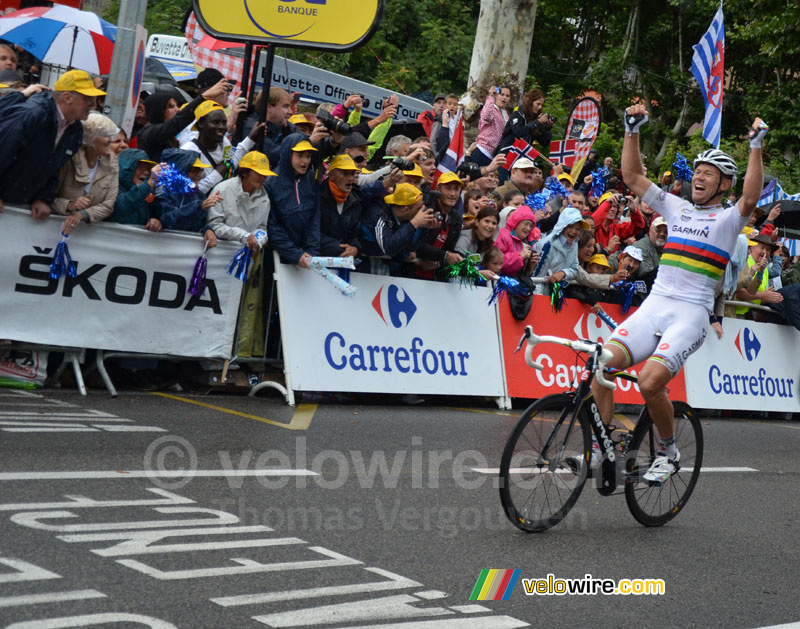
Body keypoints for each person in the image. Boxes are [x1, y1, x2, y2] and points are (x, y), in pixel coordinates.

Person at [590, 103, 768, 483]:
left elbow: (751, 199)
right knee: (600, 364)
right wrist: (631, 129)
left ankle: (669, 452)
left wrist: (756, 146)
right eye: (698, 172)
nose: (700, 177)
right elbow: (632, 175)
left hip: (691, 314)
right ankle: (601, 449)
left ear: (724, 184)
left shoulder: (728, 219)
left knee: (650, 382)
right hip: (655, 306)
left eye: (710, 174)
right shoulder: (677, 207)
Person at [0, 69, 104, 219]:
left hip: (19, 204)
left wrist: (43, 198)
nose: (93, 105)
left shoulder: (75, 129)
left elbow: (54, 167)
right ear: (67, 97)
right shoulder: (32, 114)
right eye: (88, 99)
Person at [318, 154, 397, 259]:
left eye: (352, 174)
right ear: (331, 175)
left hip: (343, 260)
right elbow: (311, 233)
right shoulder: (317, 197)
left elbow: (355, 234)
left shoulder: (355, 200)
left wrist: (355, 248)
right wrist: (336, 248)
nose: (350, 178)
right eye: (345, 174)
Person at [52, 112, 120, 234]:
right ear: (90, 137)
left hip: (87, 234)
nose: (111, 140)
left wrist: (82, 214)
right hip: (52, 229)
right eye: (106, 135)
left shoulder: (112, 163)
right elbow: (47, 197)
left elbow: (109, 205)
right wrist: (69, 205)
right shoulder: (68, 159)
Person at [181, 100, 264, 195]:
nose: (222, 127)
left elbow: (230, 164)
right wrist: (217, 175)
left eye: (224, 123)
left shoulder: (225, 143)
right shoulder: (188, 152)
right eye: (216, 122)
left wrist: (251, 138)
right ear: (201, 124)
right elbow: (188, 192)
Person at [137, 81, 229, 162]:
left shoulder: (171, 139)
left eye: (177, 105)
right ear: (158, 110)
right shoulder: (148, 134)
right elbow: (177, 123)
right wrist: (203, 97)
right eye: (171, 106)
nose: (178, 110)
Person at [266, 134, 321, 267]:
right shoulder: (271, 183)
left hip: (306, 257)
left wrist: (311, 251)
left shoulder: (310, 181)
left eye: (308, 156)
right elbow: (271, 226)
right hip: (277, 259)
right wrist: (294, 254)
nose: (305, 161)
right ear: (287, 154)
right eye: (300, 155)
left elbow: (315, 218)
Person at [360, 183, 436, 275]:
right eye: (418, 209)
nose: (422, 212)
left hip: (381, 264)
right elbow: (389, 247)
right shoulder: (378, 214)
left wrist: (424, 228)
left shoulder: (406, 219)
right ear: (405, 209)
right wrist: (415, 223)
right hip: (359, 263)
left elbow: (406, 251)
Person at [207, 151, 276, 249]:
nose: (263, 178)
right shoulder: (222, 190)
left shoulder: (265, 199)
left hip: (246, 256)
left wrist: (257, 241)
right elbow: (214, 226)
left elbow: (262, 228)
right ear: (244, 172)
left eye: (265, 174)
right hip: (220, 253)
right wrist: (244, 236)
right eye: (259, 173)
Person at [156, 149, 220, 239]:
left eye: (200, 170)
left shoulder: (199, 195)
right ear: (180, 170)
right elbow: (167, 219)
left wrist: (207, 230)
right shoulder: (163, 191)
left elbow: (200, 223)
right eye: (194, 170)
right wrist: (198, 207)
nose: (199, 175)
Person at [416, 172, 466, 280]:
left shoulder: (456, 218)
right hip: (410, 273)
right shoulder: (427, 210)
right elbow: (417, 246)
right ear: (438, 190)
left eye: (456, 189)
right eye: (448, 188)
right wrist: (445, 256)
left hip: (435, 278)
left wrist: (440, 263)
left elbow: (450, 250)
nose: (453, 194)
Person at [532, 206, 590, 289]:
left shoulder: (574, 244)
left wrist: (563, 273)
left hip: (558, 292)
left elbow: (575, 269)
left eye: (577, 229)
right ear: (562, 226)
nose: (574, 232)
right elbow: (537, 276)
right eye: (570, 227)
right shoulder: (547, 244)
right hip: (540, 293)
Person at [109, 149, 162, 230]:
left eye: (148, 169)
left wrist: (155, 220)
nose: (146, 173)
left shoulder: (146, 192)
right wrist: (149, 183)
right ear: (127, 168)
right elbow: (121, 208)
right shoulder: (111, 187)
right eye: (140, 168)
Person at [609, 216, 667, 288]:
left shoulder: (669, 247)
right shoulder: (641, 247)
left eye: (666, 232)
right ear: (650, 231)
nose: (662, 234)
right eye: (658, 230)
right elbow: (646, 275)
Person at [734, 233, 783, 318]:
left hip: (752, 316)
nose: (764, 252)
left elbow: (755, 293)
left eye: (768, 250)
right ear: (752, 247)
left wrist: (769, 297)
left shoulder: (765, 269)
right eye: (762, 248)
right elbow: (739, 292)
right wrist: (762, 295)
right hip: (735, 315)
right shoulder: (744, 262)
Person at [495, 88, 553, 156]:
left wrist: (547, 128)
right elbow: (519, 132)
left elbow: (544, 143)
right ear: (530, 102)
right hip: (507, 153)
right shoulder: (517, 114)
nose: (540, 107)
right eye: (538, 104)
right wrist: (537, 122)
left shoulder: (537, 118)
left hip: (522, 157)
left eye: (542, 105)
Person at [494, 205, 540, 276]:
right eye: (526, 224)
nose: (528, 228)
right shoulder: (503, 236)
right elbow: (496, 262)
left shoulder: (528, 242)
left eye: (531, 226)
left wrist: (531, 266)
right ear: (516, 222)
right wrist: (520, 256)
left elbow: (524, 274)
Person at [472, 86, 511, 167]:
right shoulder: (490, 108)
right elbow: (486, 116)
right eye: (502, 94)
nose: (504, 97)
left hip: (494, 155)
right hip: (483, 150)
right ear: (496, 95)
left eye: (507, 96)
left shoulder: (506, 114)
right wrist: (491, 97)